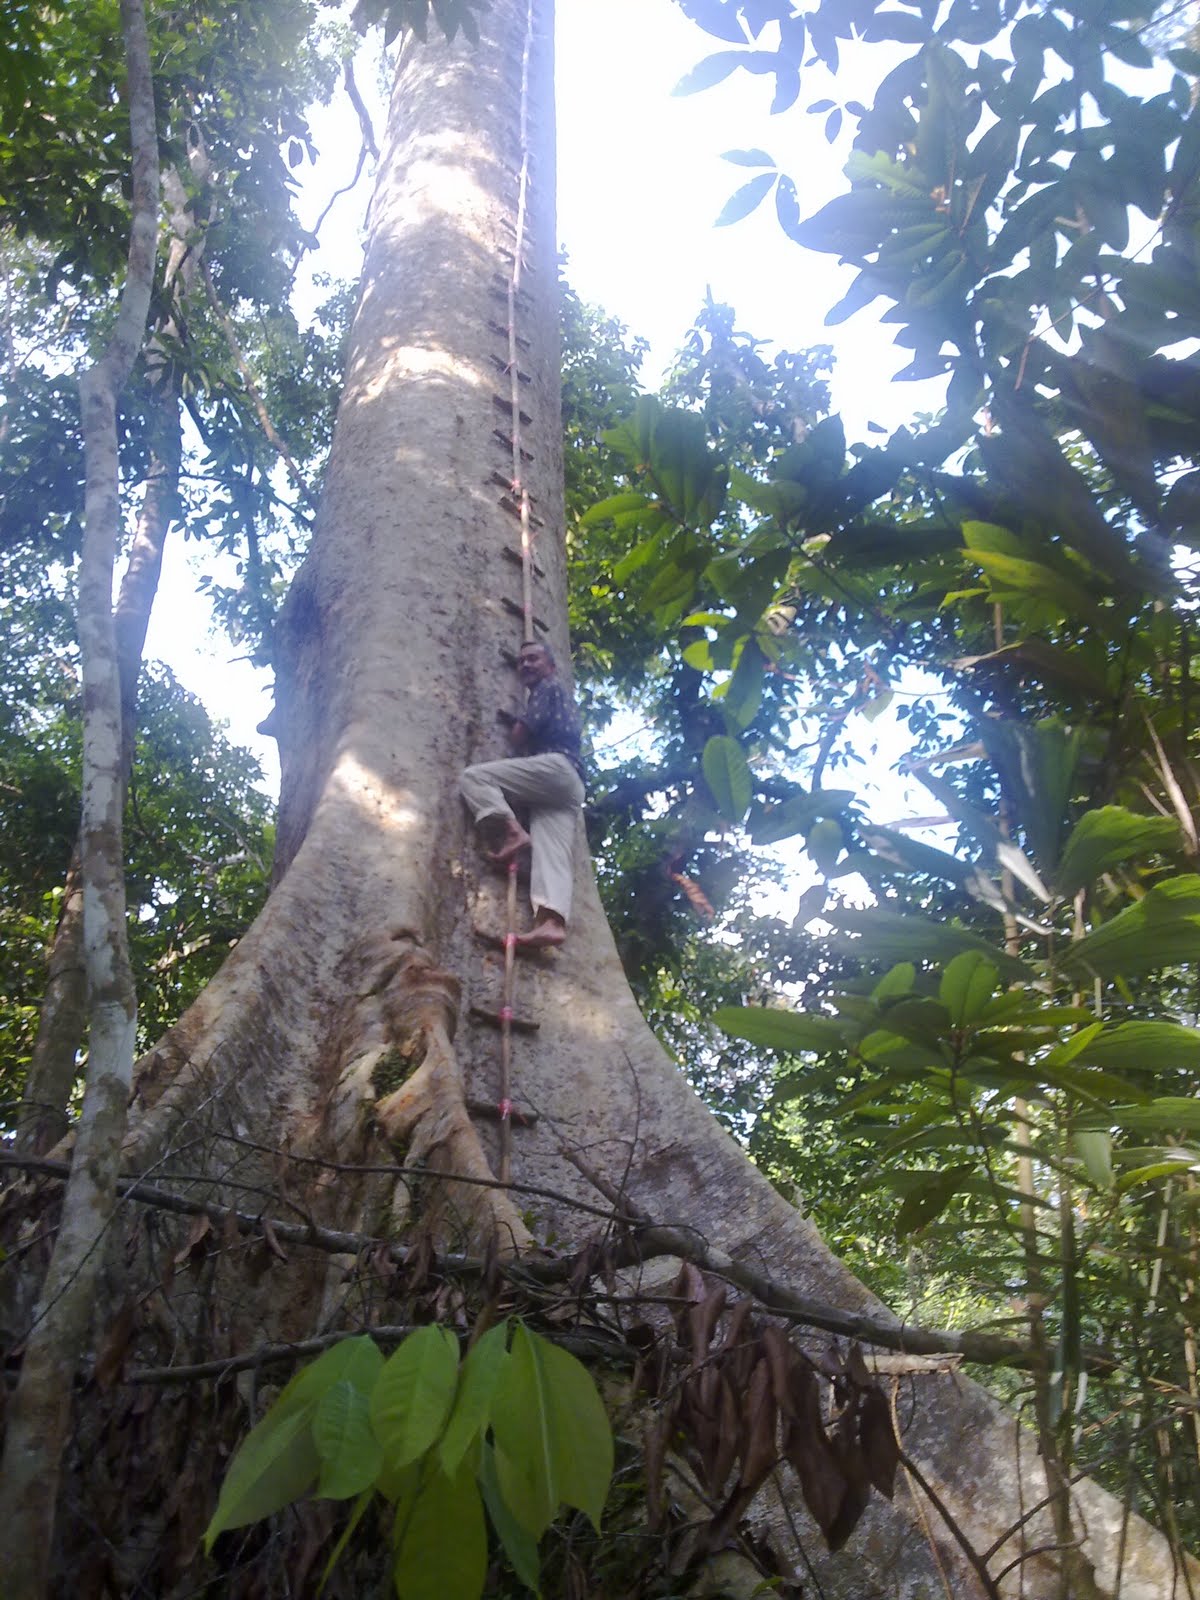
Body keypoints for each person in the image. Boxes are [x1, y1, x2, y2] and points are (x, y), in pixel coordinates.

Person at [460, 640, 585, 949]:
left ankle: (512, 831)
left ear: (551, 667)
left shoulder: (548, 688)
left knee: (474, 777)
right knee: (552, 852)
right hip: (570, 786)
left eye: (534, 659)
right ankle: (551, 923)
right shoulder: (562, 696)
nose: (526, 665)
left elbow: (520, 735)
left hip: (556, 767)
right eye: (522, 662)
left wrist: (515, 727)